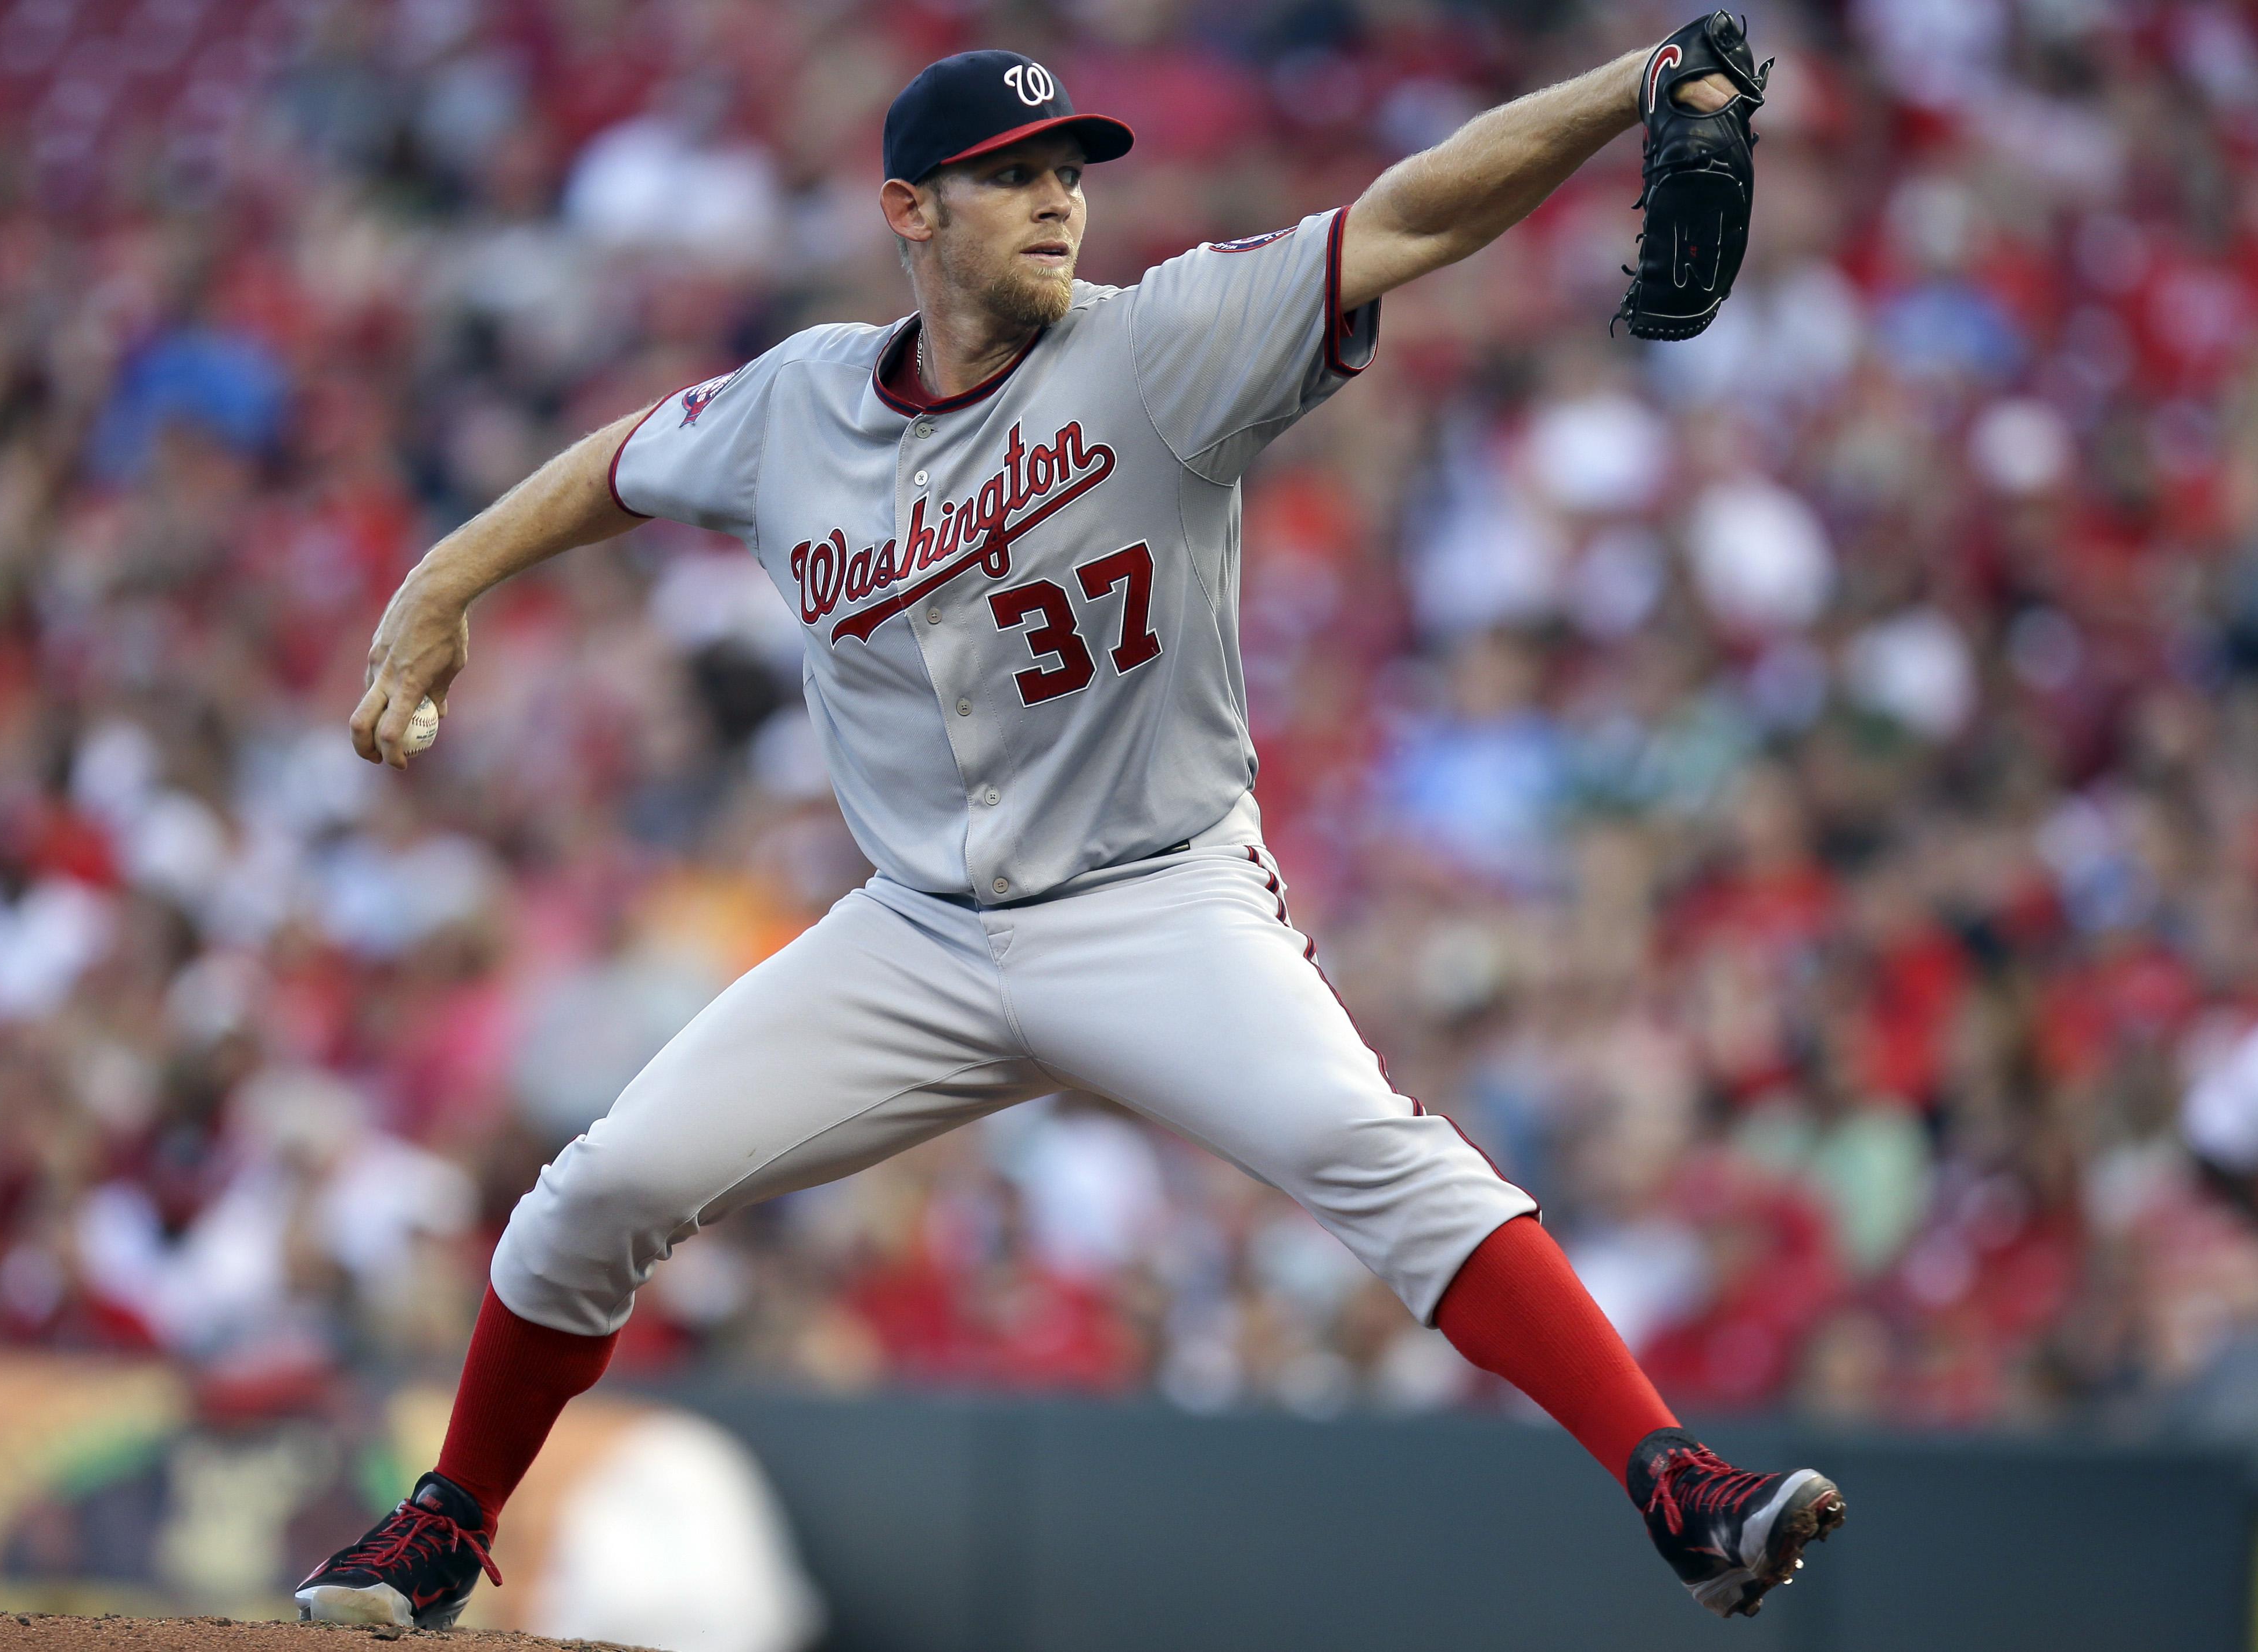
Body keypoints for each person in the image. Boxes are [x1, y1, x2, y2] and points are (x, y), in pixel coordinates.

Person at [296, 36, 1844, 1632]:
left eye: (1066, 174)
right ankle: (442, 1527)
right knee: (596, 1190)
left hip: (1153, 901)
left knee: (1372, 1153)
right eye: (1010, 178)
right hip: (919, 928)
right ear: (910, 209)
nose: (1054, 204)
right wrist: (442, 582)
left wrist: (1625, 86)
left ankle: (1674, 1479)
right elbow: (612, 468)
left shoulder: (1169, 339)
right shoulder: (796, 402)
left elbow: (1406, 218)